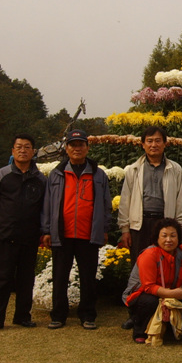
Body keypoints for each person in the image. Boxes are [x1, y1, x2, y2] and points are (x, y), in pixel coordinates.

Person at [42, 129, 112, 330]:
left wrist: (104, 228)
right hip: (62, 234)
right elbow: (47, 204)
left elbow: (106, 204)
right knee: (60, 276)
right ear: (67, 148)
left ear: (87, 148)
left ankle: (88, 315)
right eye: (73, 145)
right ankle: (58, 315)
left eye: (81, 144)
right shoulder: (56, 173)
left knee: (88, 278)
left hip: (88, 234)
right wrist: (47, 230)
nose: (77, 148)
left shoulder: (98, 174)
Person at [0, 134, 46, 332]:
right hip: (6, 235)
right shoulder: (1, 175)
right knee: (1, 278)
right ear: (12, 151)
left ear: (33, 152)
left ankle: (22, 316)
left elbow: (43, 207)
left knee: (26, 278)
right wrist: (2, 223)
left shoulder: (40, 178)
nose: (23, 150)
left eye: (27, 147)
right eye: (19, 147)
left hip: (30, 236)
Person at [117, 126, 182, 261]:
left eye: (158, 141)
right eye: (149, 141)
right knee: (139, 265)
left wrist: (179, 226)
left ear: (165, 143)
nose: (153, 145)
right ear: (143, 144)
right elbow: (125, 200)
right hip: (139, 225)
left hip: (165, 223)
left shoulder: (175, 169)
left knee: (164, 264)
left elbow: (181, 199)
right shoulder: (134, 169)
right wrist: (125, 229)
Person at [124, 218, 182, 344]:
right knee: (150, 302)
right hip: (143, 295)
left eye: (173, 236)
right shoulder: (149, 254)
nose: (169, 240)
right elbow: (148, 287)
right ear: (157, 237)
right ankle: (140, 330)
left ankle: (169, 328)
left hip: (174, 294)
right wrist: (172, 294)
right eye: (164, 236)